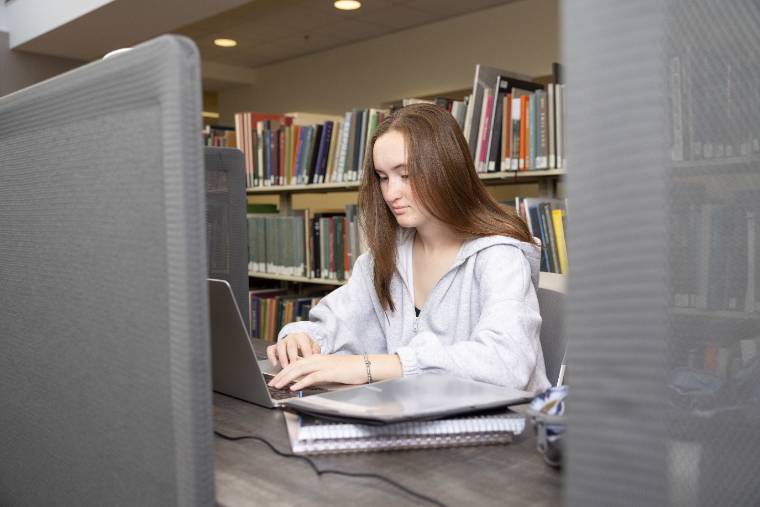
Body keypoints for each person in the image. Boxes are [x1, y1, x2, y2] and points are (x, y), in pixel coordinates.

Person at [268, 103, 550, 393]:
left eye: (406, 174)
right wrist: (300, 338)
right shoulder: (384, 258)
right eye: (383, 177)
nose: (391, 193)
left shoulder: (500, 256)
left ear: (446, 170)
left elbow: (506, 362)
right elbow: (336, 325)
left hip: (505, 426)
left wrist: (373, 367)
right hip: (416, 415)